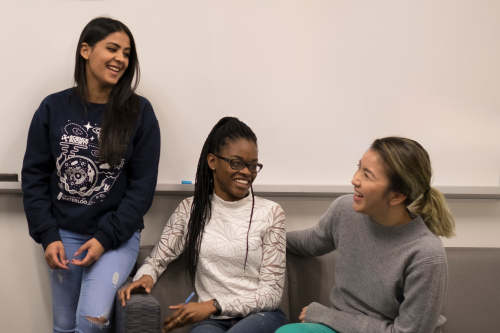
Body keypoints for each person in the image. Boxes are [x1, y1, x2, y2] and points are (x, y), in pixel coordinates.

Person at [22, 17, 161, 333]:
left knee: (90, 323)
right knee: (63, 327)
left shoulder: (140, 112)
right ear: (85, 50)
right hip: (63, 234)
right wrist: (47, 233)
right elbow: (33, 177)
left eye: (126, 53)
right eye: (112, 49)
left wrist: (104, 238)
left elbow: (141, 189)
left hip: (115, 238)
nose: (120, 59)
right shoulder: (52, 108)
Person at [118, 117, 288, 333]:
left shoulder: (271, 213)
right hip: (214, 321)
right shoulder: (190, 209)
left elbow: (271, 294)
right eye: (237, 163)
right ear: (212, 161)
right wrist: (145, 277)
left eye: (253, 165)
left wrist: (213, 305)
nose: (247, 172)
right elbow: (157, 259)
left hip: (263, 316)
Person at [276, 137, 455, 333]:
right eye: (359, 167)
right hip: (337, 328)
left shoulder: (426, 255)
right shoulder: (345, 210)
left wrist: (328, 316)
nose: (355, 179)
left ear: (397, 195)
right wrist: (265, 238)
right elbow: (311, 242)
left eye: (367, 175)